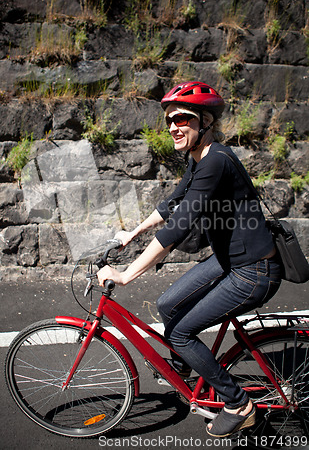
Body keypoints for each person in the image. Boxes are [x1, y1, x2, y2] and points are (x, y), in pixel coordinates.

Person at [97, 81, 281, 438]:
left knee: (180, 333)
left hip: (253, 270)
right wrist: (130, 234)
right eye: (169, 120)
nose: (173, 126)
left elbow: (179, 226)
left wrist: (126, 274)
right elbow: (172, 202)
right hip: (231, 258)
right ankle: (185, 368)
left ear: (205, 122)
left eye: (182, 118)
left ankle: (237, 403)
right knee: (168, 304)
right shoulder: (199, 159)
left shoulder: (216, 162)